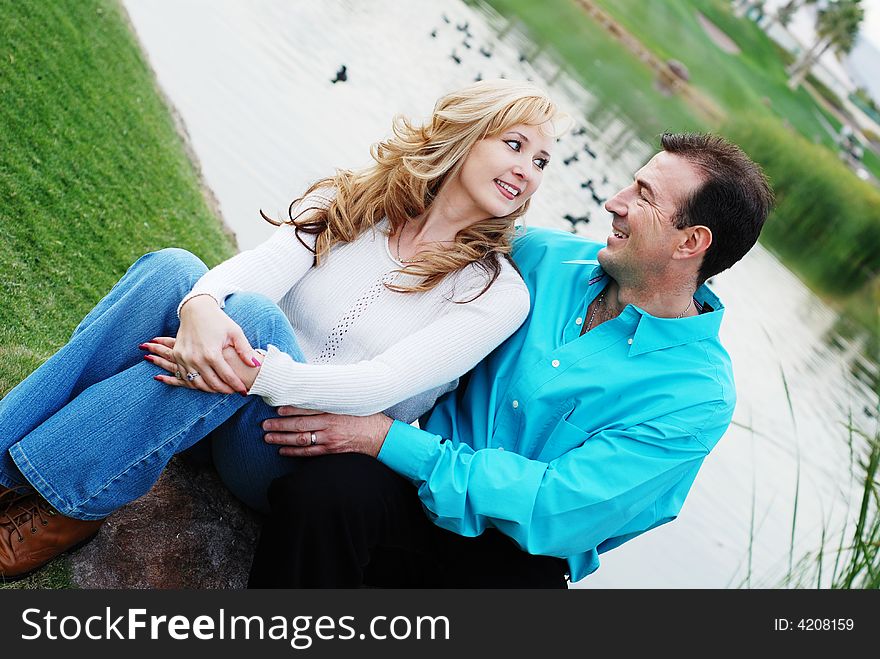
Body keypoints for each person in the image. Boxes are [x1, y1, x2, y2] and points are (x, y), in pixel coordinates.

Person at [0, 79, 564, 581]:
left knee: (254, 319)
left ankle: (64, 508)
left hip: (289, 452)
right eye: (514, 144)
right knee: (173, 270)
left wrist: (251, 368)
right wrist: (198, 306)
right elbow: (258, 271)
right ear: (462, 135)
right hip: (205, 402)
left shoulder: (496, 293)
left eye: (541, 161)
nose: (526, 169)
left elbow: (380, 385)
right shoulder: (353, 201)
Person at [245, 132, 775, 588]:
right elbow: (426, 228)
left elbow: (556, 508)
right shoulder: (538, 256)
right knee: (324, 496)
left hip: (511, 558)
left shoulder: (698, 395)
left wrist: (384, 437)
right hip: (402, 491)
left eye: (643, 196)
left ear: (691, 242)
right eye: (629, 184)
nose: (614, 202)